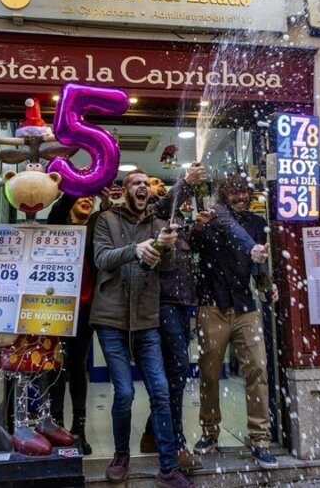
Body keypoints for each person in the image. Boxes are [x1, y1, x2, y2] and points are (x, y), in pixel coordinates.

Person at [91, 168, 193, 488]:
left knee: (160, 390)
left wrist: (165, 247)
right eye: (136, 183)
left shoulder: (159, 225)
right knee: (124, 392)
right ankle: (121, 454)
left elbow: (166, 266)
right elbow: (101, 258)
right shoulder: (106, 219)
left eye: (146, 184)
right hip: (111, 318)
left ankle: (168, 467)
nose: (143, 187)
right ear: (124, 190)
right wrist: (134, 250)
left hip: (147, 319)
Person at [190, 173, 278, 469]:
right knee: (209, 373)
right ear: (223, 196)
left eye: (244, 193)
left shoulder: (257, 223)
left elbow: (260, 263)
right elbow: (192, 246)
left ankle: (261, 439)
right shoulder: (213, 218)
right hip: (211, 306)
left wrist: (268, 285)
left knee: (258, 369)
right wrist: (198, 228)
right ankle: (210, 432)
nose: (240, 198)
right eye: (233, 193)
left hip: (245, 308)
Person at [139, 171, 207, 472]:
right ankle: (176, 443)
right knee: (177, 369)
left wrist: (197, 229)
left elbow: (188, 251)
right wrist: (186, 183)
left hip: (182, 303)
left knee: (171, 373)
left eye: (157, 183)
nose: (154, 186)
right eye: (150, 183)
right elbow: (165, 206)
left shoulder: (174, 217)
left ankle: (153, 434)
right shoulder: (151, 213)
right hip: (163, 302)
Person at [44, 191, 109, 455]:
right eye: (82, 197)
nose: (87, 199)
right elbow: (59, 209)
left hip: (85, 306)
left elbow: (105, 220)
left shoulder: (94, 227)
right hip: (57, 306)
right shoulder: (58, 222)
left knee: (77, 365)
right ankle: (56, 424)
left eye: (90, 197)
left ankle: (79, 428)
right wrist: (78, 185)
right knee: (56, 365)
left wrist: (104, 202)